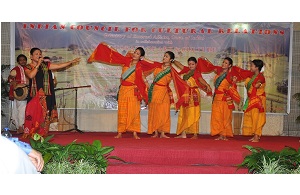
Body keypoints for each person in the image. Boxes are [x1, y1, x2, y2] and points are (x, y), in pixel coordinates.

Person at [87, 42, 151, 139]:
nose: (134, 54)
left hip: (133, 91)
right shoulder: (126, 60)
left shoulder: (139, 66)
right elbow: (115, 53)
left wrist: (148, 89)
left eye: (137, 53)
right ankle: (120, 132)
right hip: (123, 90)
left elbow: (143, 78)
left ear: (141, 57)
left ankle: (135, 133)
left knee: (134, 111)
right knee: (122, 111)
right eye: (135, 52)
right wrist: (107, 46)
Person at [23, 47, 80, 138]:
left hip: (46, 94)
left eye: (40, 54)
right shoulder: (28, 67)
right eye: (36, 54)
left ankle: (42, 134)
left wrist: (70, 62)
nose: (39, 55)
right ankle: (30, 133)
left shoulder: (46, 65)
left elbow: (58, 66)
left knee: (45, 115)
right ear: (31, 56)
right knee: (32, 113)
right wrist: (37, 65)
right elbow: (31, 75)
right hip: (35, 95)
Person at [198, 57, 241, 141]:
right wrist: (205, 59)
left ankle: (224, 135)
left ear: (230, 65)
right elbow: (210, 66)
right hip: (216, 98)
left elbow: (232, 88)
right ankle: (221, 134)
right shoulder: (219, 71)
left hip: (224, 98)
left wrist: (234, 83)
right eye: (223, 62)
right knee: (217, 117)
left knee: (225, 117)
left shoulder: (230, 75)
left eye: (226, 63)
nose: (223, 64)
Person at [172, 57, 212, 139]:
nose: (191, 66)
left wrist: (207, 85)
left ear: (196, 64)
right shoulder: (186, 70)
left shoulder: (196, 72)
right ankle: (183, 133)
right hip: (186, 94)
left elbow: (201, 80)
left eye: (192, 64)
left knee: (193, 113)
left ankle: (195, 134)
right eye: (189, 64)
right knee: (184, 113)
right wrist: (173, 60)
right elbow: (179, 65)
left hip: (193, 95)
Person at [141, 51, 177, 138]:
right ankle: (155, 132)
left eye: (166, 56)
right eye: (164, 56)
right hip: (155, 90)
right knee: (154, 111)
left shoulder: (172, 70)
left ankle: (163, 133)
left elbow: (178, 81)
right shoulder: (157, 65)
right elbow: (149, 62)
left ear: (171, 59)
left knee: (164, 112)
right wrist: (142, 58)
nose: (164, 57)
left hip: (164, 91)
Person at [242, 59, 266, 142]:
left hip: (258, 100)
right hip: (252, 99)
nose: (250, 67)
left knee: (257, 118)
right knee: (253, 117)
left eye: (252, 65)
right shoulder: (251, 76)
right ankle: (255, 135)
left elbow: (260, 82)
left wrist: (258, 84)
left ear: (257, 67)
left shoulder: (261, 76)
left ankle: (257, 136)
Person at [8, 54, 29, 134]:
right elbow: (10, 78)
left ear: (26, 60)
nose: (23, 61)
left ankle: (19, 127)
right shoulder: (16, 69)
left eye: (24, 59)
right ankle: (20, 126)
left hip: (27, 92)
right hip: (19, 92)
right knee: (20, 110)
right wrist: (14, 84)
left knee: (20, 110)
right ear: (18, 61)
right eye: (21, 60)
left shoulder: (29, 68)